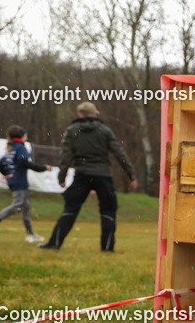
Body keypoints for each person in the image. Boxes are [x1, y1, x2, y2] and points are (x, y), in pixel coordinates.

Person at [40, 102, 137, 252]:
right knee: (108, 211)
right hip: (103, 175)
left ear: (79, 115)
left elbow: (65, 156)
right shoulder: (105, 130)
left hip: (82, 175)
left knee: (70, 209)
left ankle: (54, 243)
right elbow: (119, 153)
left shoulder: (71, 131)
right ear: (94, 114)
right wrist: (131, 174)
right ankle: (107, 248)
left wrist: (62, 177)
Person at [0, 125, 50, 243]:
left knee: (25, 206)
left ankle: (30, 234)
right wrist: (42, 168)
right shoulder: (20, 148)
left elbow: (0, 164)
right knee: (19, 204)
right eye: (25, 135)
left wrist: (9, 174)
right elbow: (24, 162)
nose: (27, 137)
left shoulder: (11, 148)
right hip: (19, 180)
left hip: (12, 180)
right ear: (22, 136)